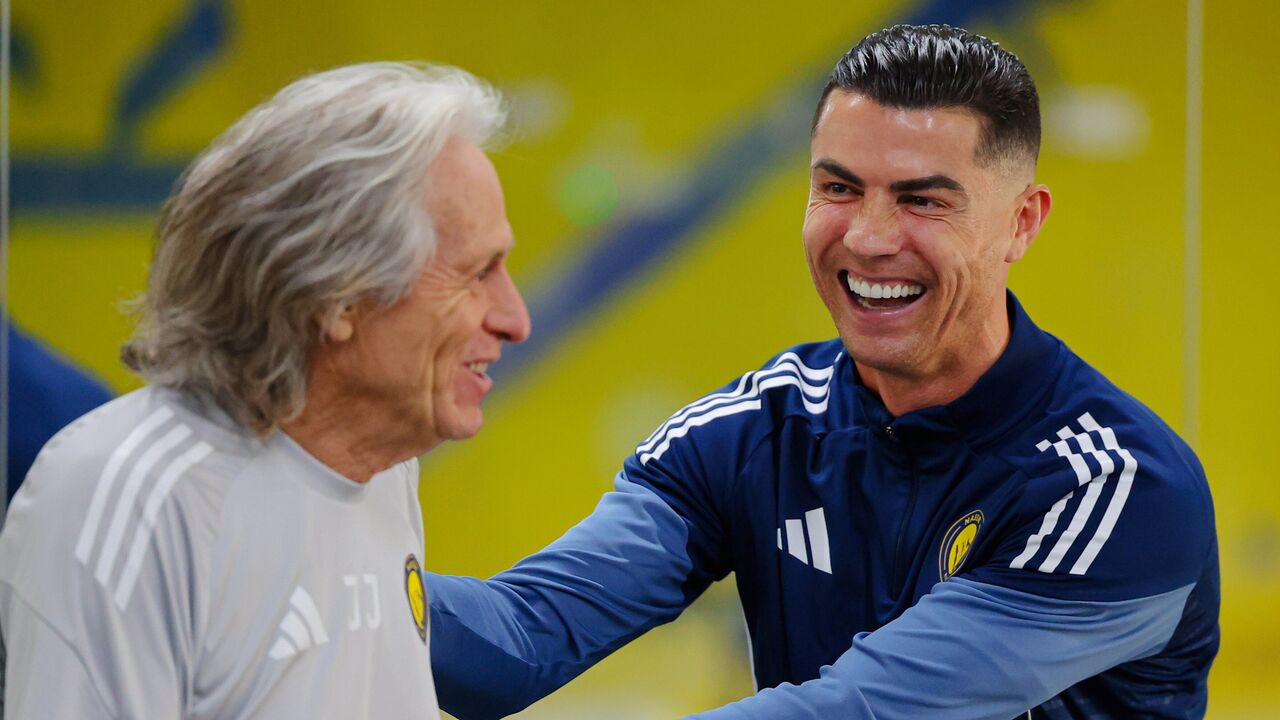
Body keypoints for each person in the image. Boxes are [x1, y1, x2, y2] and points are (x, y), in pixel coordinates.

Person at [425, 25, 1218, 719]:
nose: (869, 239)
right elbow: (518, 640)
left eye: (922, 201)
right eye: (838, 187)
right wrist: (342, 569)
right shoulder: (755, 429)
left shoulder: (1120, 490)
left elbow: (856, 711)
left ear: (1020, 223)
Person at [0, 62, 530, 718]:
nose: (515, 318)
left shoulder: (383, 467)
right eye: (476, 274)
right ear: (338, 297)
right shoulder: (127, 494)